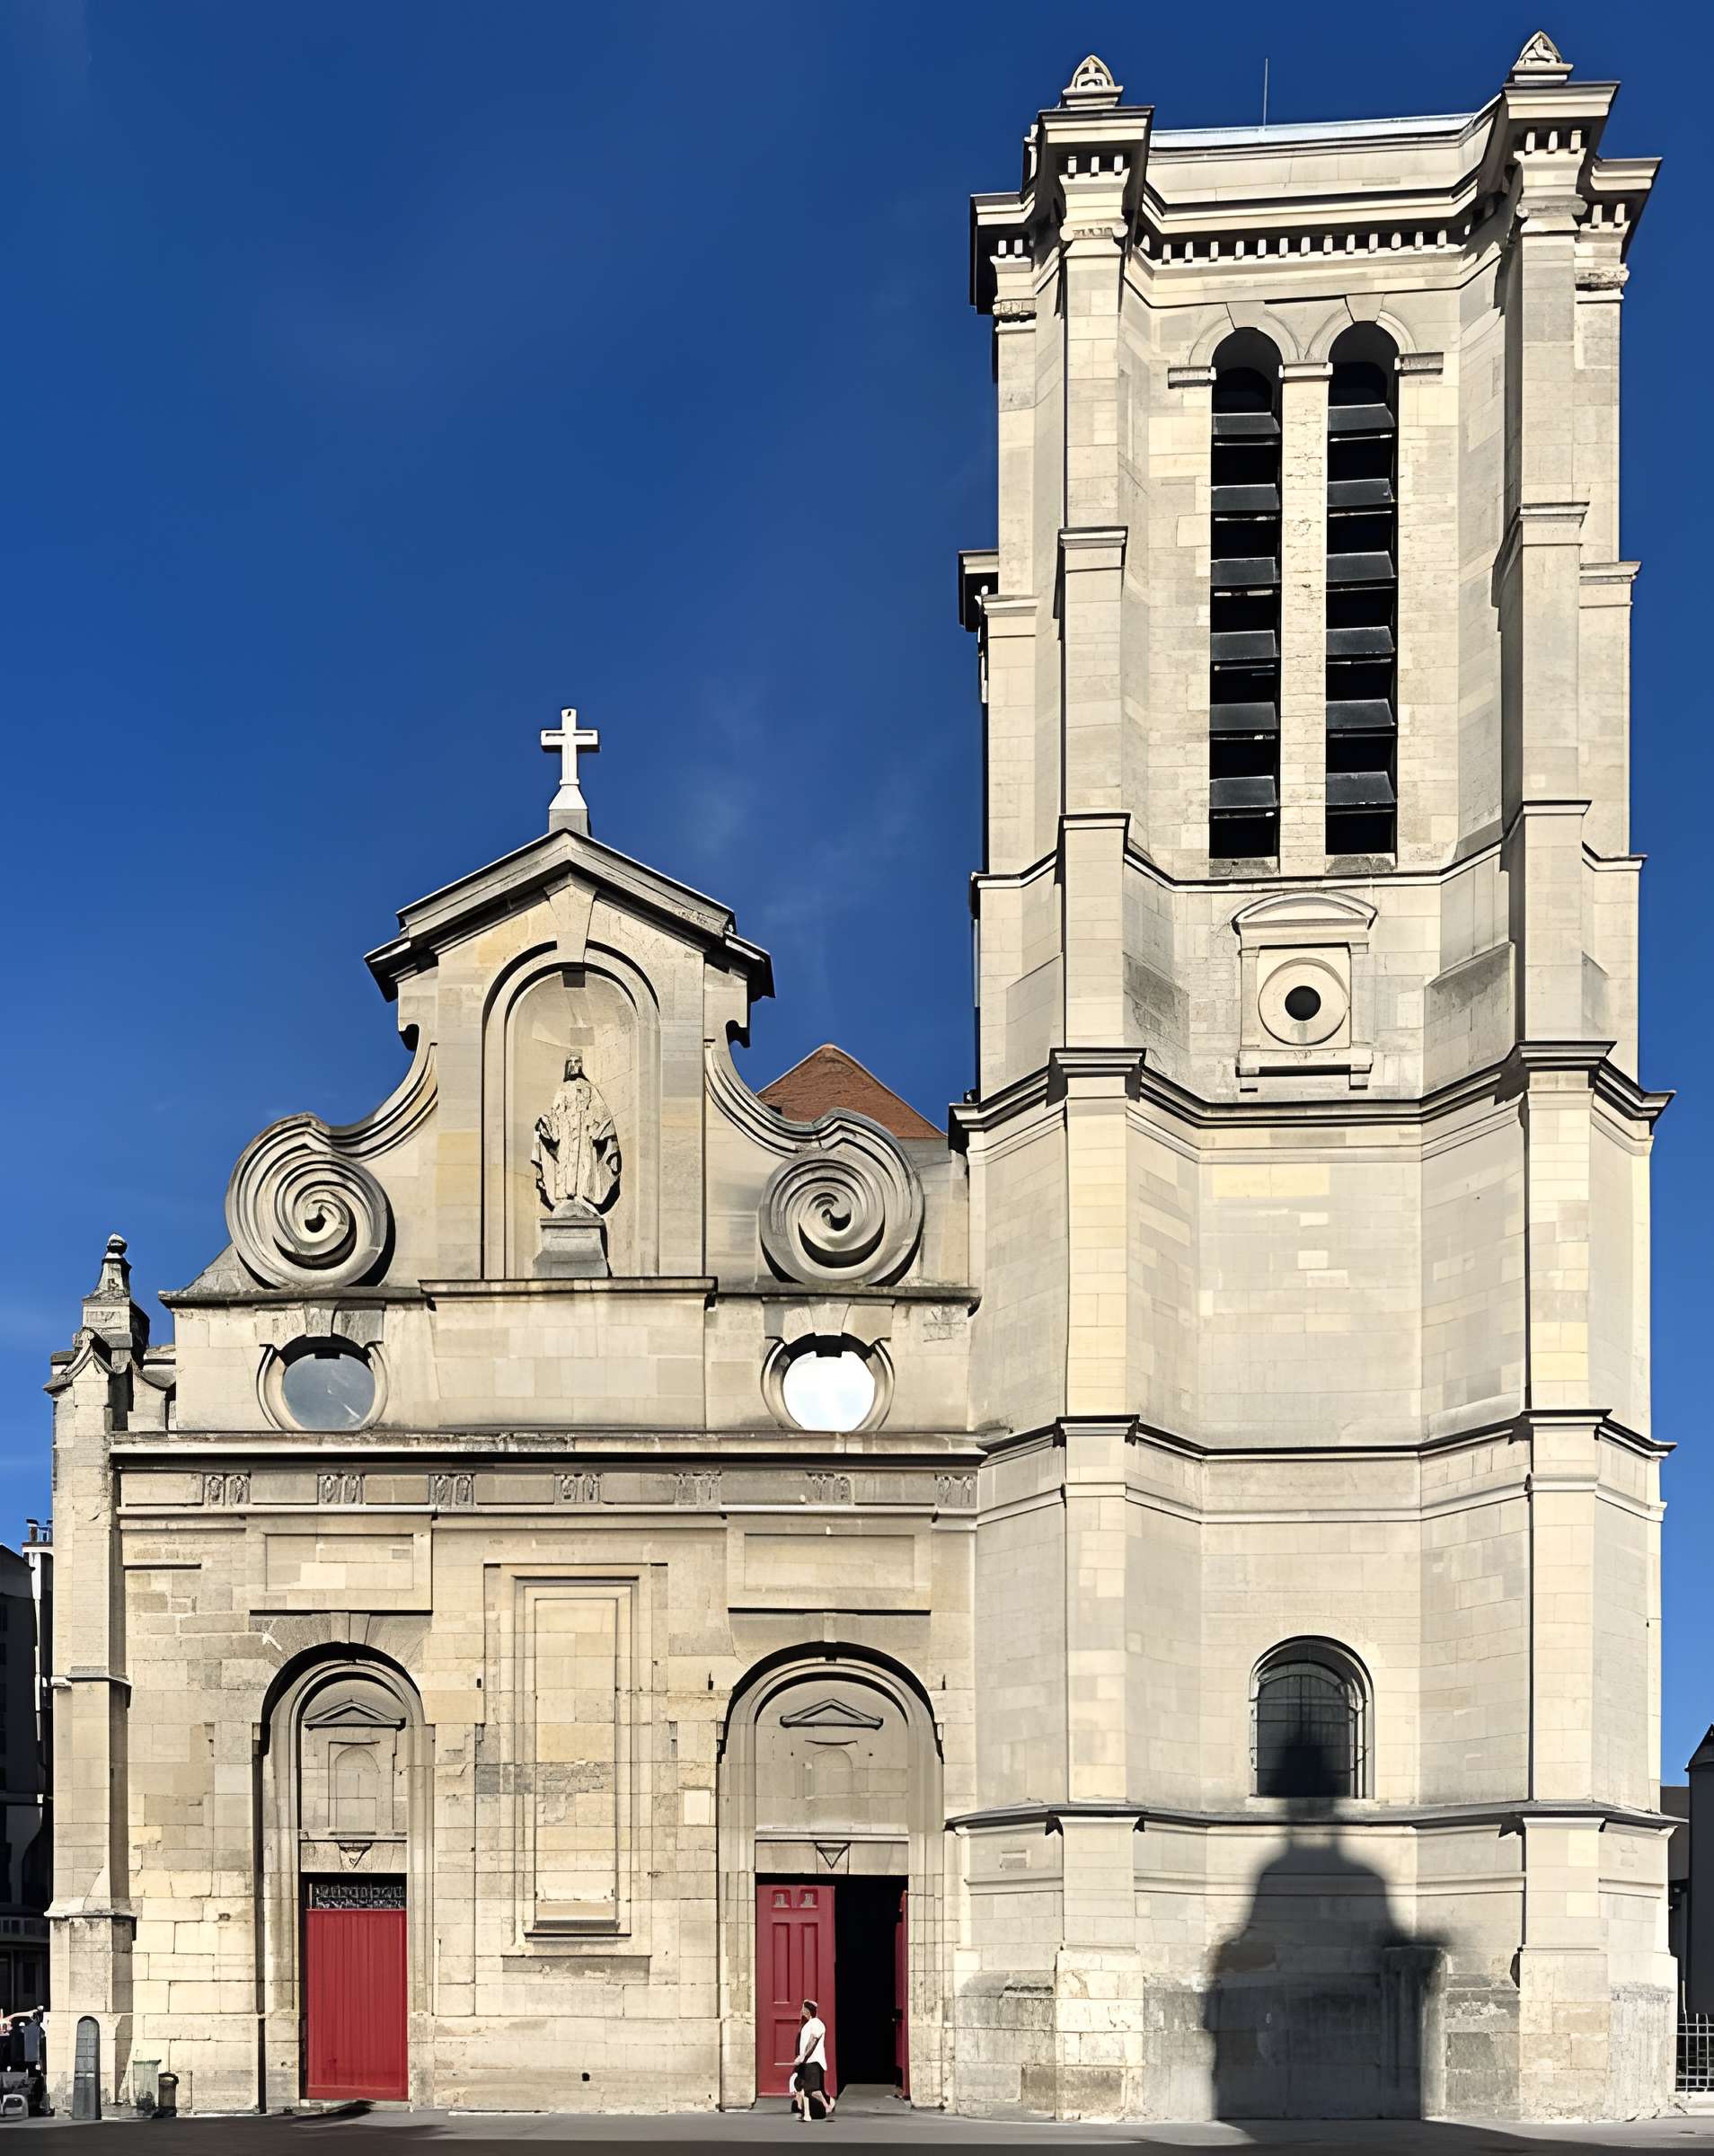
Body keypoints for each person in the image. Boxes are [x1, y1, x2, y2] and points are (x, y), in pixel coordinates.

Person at [791, 1999, 835, 2122]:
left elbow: (812, 2042)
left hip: (813, 2062)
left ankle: (827, 2105)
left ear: (808, 2011)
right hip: (807, 2062)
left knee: (813, 2090)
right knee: (802, 2086)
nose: (802, 2012)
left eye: (804, 2009)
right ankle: (806, 2113)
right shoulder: (807, 2024)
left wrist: (803, 2056)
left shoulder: (817, 2024)